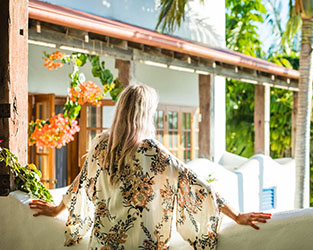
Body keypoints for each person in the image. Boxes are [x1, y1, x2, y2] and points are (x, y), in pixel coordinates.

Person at [29, 84, 272, 250]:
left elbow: (80, 183)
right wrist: (237, 216)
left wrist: (55, 209)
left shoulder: (100, 144)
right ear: (145, 114)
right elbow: (197, 186)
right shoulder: (151, 151)